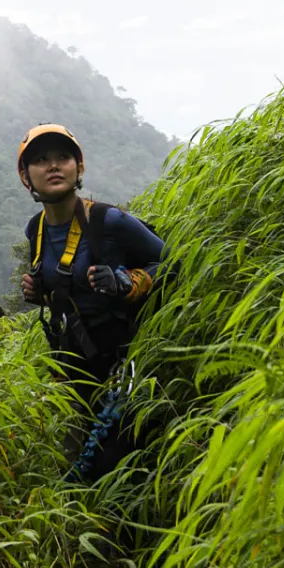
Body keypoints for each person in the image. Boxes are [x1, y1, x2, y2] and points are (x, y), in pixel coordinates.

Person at [15, 122, 165, 481]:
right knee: (67, 473)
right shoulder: (35, 230)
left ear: (78, 167)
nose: (53, 165)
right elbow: (68, 289)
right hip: (71, 375)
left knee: (112, 473)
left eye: (63, 157)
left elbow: (172, 260)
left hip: (122, 373)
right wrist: (41, 294)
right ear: (26, 177)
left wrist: (128, 282)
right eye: (40, 160)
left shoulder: (108, 221)